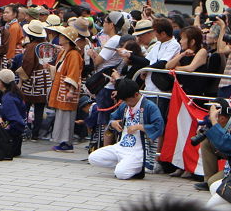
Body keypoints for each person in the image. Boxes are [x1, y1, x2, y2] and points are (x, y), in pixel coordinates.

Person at [88, 79, 165, 180]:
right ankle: (125, 165)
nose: (127, 103)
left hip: (137, 151)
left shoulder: (150, 107)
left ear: (136, 94)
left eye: (128, 100)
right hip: (121, 146)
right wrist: (113, 124)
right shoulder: (124, 106)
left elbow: (159, 125)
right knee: (93, 158)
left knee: (121, 174)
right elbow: (112, 118)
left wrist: (139, 127)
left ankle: (135, 168)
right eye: (125, 101)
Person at [87, 11, 125, 147]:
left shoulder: (113, 40)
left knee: (105, 120)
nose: (103, 24)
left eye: (106, 22)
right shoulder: (117, 39)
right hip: (110, 83)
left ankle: (105, 148)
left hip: (107, 83)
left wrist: (92, 54)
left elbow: (97, 61)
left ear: (112, 25)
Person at [48, 26, 84, 152]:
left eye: (62, 36)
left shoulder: (73, 54)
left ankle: (67, 143)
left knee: (67, 115)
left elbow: (74, 73)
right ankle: (63, 141)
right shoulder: (64, 52)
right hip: (62, 88)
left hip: (67, 89)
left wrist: (71, 90)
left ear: (68, 39)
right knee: (62, 114)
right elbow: (59, 69)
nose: (60, 38)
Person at [18, 20, 50, 142]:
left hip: (32, 79)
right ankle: (35, 134)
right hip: (45, 79)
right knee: (40, 107)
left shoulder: (31, 46)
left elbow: (28, 64)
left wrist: (22, 76)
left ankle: (25, 131)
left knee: (25, 106)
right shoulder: (46, 45)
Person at [166, 26, 209, 97]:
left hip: (195, 93)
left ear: (192, 42)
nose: (180, 41)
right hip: (183, 92)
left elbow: (190, 68)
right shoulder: (183, 52)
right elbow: (168, 66)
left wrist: (176, 68)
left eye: (183, 39)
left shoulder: (202, 51)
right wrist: (182, 55)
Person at [0, 69, 27, 157]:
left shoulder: (8, 98)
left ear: (1, 82)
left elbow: (16, 121)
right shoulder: (12, 95)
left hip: (10, 140)